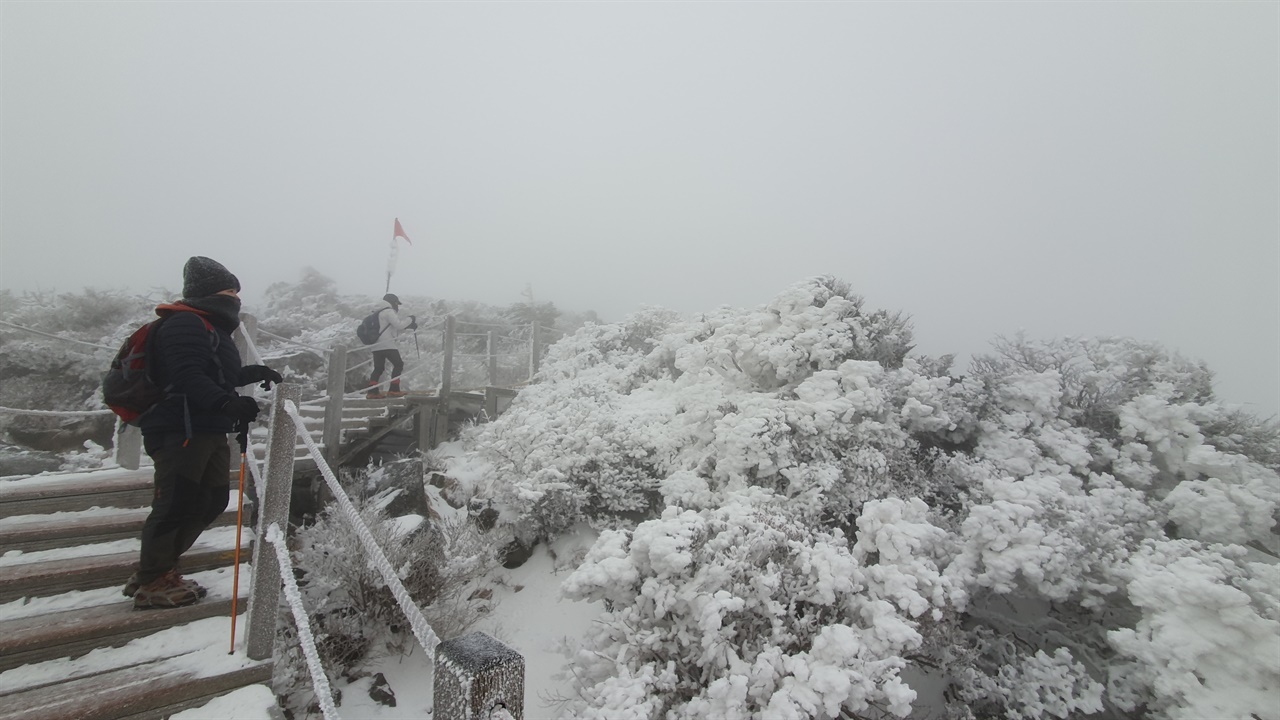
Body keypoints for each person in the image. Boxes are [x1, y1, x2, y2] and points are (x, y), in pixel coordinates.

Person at [125, 256, 282, 609]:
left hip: (207, 426)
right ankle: (153, 578)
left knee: (212, 499)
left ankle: (159, 567)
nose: (236, 297)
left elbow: (214, 376)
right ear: (208, 292)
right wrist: (226, 404)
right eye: (230, 289)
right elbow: (186, 376)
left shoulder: (210, 327)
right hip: (180, 426)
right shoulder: (184, 324)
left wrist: (252, 373)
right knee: (176, 501)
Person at [365, 292, 417, 399]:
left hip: (376, 345)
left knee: (378, 368)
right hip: (387, 344)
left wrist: (408, 326)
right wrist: (410, 319)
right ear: (392, 302)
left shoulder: (376, 313)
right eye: (396, 303)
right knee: (399, 364)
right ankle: (394, 390)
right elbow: (399, 325)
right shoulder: (388, 311)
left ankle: (372, 391)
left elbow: (388, 327)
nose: (397, 306)